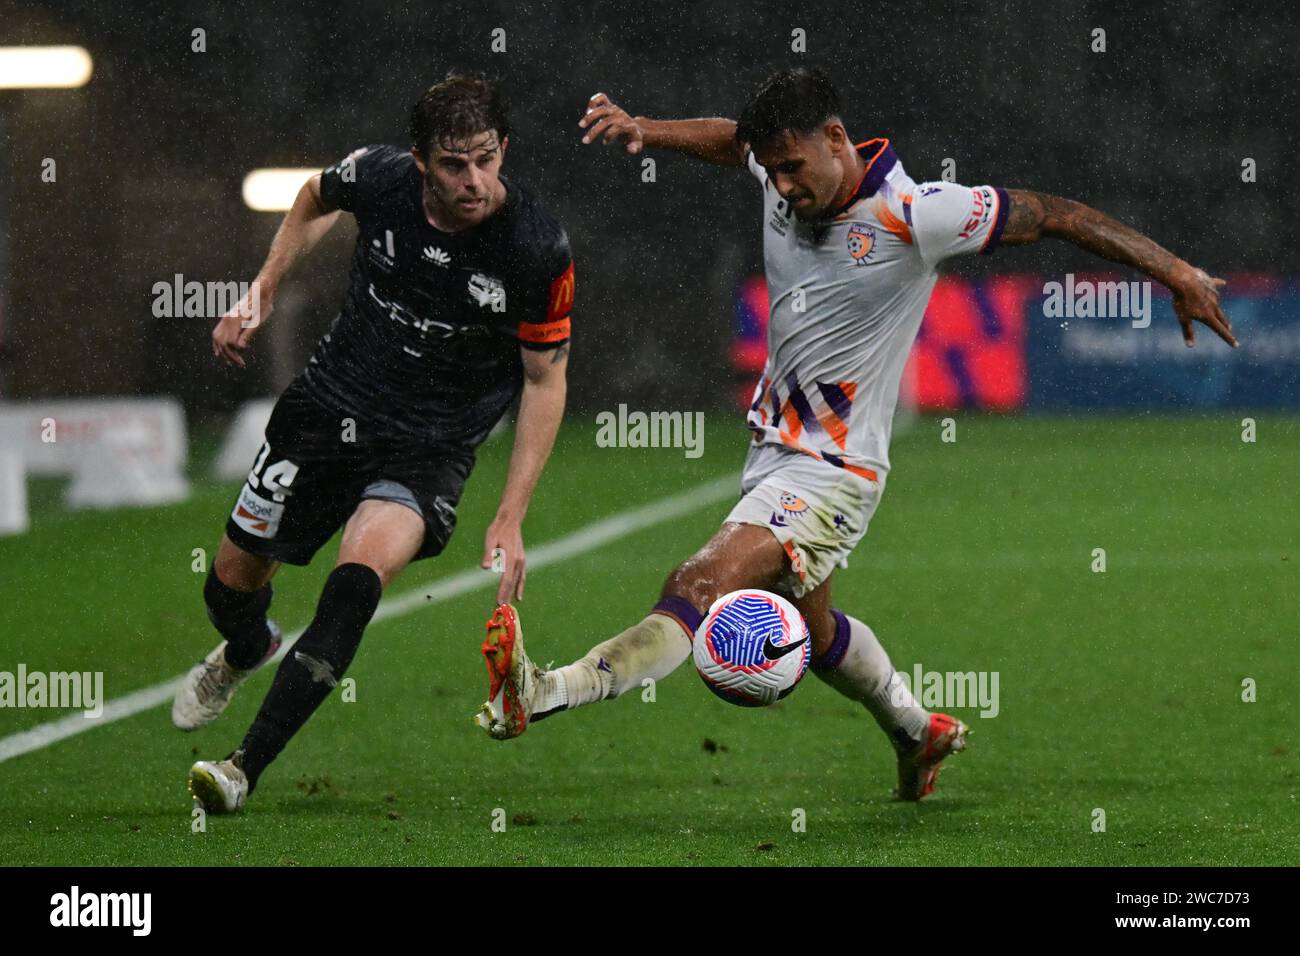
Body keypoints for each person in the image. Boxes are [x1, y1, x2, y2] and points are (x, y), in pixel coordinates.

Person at [474, 67, 1235, 801]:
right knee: (816, 631)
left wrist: (1177, 273)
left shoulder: (919, 213)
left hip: (834, 471)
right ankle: (915, 732)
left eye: (794, 167)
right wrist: (647, 129)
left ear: (836, 138)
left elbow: (1058, 214)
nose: (782, 185)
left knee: (696, 587)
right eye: (771, 170)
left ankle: (543, 692)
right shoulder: (778, 169)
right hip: (772, 452)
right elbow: (732, 142)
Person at [178, 73, 576, 813]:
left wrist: (511, 514)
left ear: (504, 150)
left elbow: (545, 382)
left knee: (356, 583)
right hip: (329, 406)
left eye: (487, 159)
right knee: (230, 581)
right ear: (421, 160)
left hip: (429, 446)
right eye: (455, 164)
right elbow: (312, 197)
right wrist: (262, 290)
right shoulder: (380, 177)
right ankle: (245, 645)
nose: (475, 180)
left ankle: (240, 769)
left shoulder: (535, 246)